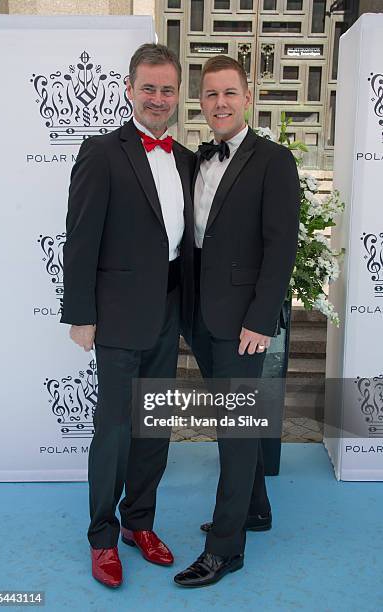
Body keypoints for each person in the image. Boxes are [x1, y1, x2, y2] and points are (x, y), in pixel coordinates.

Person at [61, 43, 194, 589]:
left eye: (167, 89)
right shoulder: (101, 152)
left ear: (176, 93)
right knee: (113, 431)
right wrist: (80, 314)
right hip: (115, 317)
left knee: (155, 427)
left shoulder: (185, 157)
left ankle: (140, 522)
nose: (158, 98)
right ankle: (101, 536)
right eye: (149, 88)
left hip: (169, 311)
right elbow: (81, 237)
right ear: (129, 88)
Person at [174, 55, 300, 588]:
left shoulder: (274, 160)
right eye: (210, 95)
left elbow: (281, 248)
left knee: (235, 430)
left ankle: (225, 549)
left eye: (229, 93)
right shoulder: (194, 159)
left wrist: (261, 318)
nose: (219, 103)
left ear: (247, 98)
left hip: (243, 322)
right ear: (199, 102)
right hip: (200, 315)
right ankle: (257, 509)